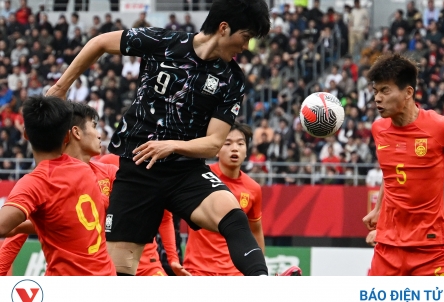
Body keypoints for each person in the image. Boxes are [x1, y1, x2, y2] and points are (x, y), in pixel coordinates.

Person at [46, 0, 278, 276]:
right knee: (118, 273)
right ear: (224, 28)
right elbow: (98, 43)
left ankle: (264, 285)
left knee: (234, 217)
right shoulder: (163, 41)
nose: (246, 47)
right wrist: (61, 87)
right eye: (246, 37)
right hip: (138, 168)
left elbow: (214, 143)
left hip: (186, 173)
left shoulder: (232, 79)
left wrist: (172, 145)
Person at [362, 54, 444, 276]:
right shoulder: (378, 129)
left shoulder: (441, 128)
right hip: (388, 247)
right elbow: (390, 173)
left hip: (432, 247)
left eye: (385, 91)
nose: (377, 98)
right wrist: (378, 209)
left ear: (408, 92)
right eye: (375, 91)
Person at [0, 96, 116, 275]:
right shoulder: (85, 169)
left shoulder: (35, 182)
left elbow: (2, 226)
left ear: (25, 135)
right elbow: (71, 221)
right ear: (69, 134)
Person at [185, 123, 264, 275]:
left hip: (236, 273)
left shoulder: (253, 188)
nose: (235, 148)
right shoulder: (199, 176)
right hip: (198, 270)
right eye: (227, 143)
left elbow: (256, 232)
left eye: (240, 144)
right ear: (217, 149)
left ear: (246, 151)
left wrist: (258, 268)